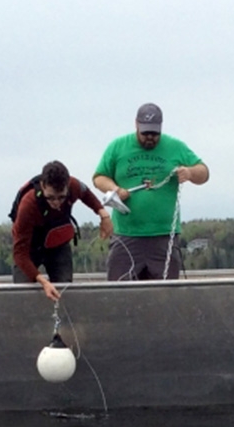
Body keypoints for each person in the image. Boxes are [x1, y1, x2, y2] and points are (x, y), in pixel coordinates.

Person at [93, 103, 209, 280]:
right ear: (136, 125)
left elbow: (204, 172)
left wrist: (190, 172)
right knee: (119, 293)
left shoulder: (175, 146)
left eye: (154, 134)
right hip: (126, 235)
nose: (150, 138)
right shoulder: (118, 147)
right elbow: (99, 177)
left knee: (165, 297)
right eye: (145, 133)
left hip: (163, 238)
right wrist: (115, 189)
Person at [12, 160, 113, 301]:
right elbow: (20, 254)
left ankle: (64, 322)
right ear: (42, 186)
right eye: (51, 197)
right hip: (30, 249)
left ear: (67, 187)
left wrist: (103, 214)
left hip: (57, 246)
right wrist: (43, 281)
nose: (56, 202)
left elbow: (86, 194)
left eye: (61, 197)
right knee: (22, 296)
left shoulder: (74, 186)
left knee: (64, 292)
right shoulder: (28, 205)